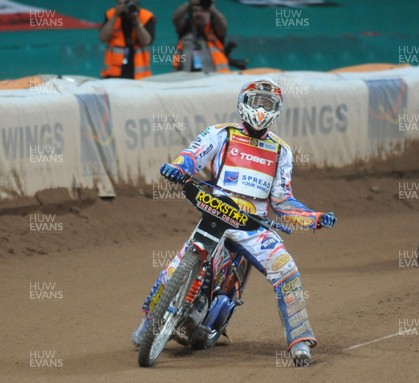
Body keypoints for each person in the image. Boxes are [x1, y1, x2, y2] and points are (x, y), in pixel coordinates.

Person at [131, 78, 336, 366]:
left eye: (269, 104)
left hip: (253, 225)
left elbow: (283, 200)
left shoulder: (282, 151)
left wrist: (313, 218)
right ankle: (147, 325)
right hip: (216, 211)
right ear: (243, 102)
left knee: (286, 269)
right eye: (257, 102)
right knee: (175, 267)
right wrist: (178, 168)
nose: (262, 109)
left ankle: (300, 341)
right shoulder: (220, 133)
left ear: (277, 109)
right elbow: (192, 156)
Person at [99, 0, 155, 79]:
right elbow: (102, 38)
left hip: (138, 75)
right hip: (114, 74)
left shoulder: (145, 16)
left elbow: (146, 41)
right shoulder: (111, 14)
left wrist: (136, 21)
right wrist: (115, 16)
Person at [171, 0, 230, 73]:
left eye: (203, 11)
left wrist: (211, 7)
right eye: (195, 11)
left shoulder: (215, 30)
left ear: (209, 13)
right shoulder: (186, 28)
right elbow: (176, 17)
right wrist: (189, 4)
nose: (198, 14)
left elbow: (223, 23)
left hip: (214, 77)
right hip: (186, 76)